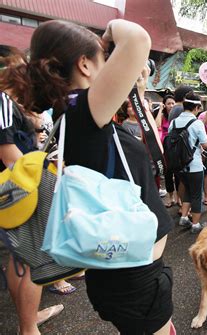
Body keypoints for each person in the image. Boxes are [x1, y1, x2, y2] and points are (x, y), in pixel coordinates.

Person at [9, 20, 174, 334]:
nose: (111, 65)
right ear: (84, 64)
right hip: (133, 280)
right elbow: (138, 38)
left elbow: (144, 153)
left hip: (127, 271)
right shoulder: (82, 111)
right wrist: (110, 32)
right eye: (103, 58)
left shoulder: (76, 115)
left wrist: (136, 91)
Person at [1, 44, 65, 335]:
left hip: (16, 188)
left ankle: (29, 320)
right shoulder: (3, 100)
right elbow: (8, 153)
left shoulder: (9, 103)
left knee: (18, 259)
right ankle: (28, 328)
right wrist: (41, 171)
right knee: (30, 259)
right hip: (19, 189)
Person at [169, 91, 207, 233]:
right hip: (194, 164)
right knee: (197, 194)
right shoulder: (197, 123)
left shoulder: (173, 122)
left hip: (179, 165)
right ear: (196, 108)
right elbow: (205, 144)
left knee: (187, 190)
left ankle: (184, 218)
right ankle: (196, 225)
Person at [156, 95, 180, 208]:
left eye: (173, 103)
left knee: (179, 173)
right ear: (164, 105)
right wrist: (160, 110)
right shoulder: (161, 116)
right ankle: (171, 198)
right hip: (165, 147)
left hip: (176, 146)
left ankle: (179, 198)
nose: (171, 105)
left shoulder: (179, 115)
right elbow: (158, 126)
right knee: (168, 173)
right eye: (168, 103)